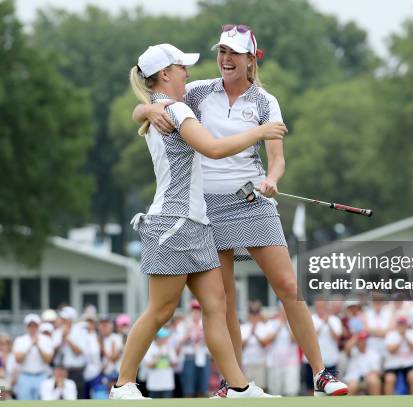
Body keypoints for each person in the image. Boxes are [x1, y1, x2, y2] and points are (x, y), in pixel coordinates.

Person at [134, 24, 349, 398]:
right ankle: (237, 384)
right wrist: (148, 110)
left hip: (252, 201)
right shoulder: (199, 92)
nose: (226, 60)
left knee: (287, 286)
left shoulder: (266, 102)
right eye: (222, 52)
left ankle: (320, 373)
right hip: (207, 207)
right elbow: (149, 100)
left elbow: (277, 160)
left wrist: (273, 179)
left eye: (234, 53)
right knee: (224, 300)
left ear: (251, 59)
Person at [110, 43, 286, 400]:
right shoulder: (174, 109)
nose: (187, 73)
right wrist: (260, 132)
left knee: (216, 307)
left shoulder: (165, 108)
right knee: (160, 310)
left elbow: (140, 109)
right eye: (181, 68)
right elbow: (214, 149)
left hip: (197, 222)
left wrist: (144, 106)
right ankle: (122, 383)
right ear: (165, 75)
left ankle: (238, 386)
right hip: (173, 222)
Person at [12, 314, 53, 400]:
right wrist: (30, 345)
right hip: (25, 376)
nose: (32, 328)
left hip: (42, 375)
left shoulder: (46, 340)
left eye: (35, 326)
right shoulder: (20, 340)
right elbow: (18, 359)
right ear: (26, 327)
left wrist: (38, 346)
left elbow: (48, 360)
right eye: (30, 326)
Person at [383, 316, 413, 395]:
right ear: (397, 325)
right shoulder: (391, 334)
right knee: (389, 378)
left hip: (409, 363)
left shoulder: (412, 333)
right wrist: (400, 338)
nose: (402, 326)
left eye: (403, 324)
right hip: (393, 364)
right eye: (400, 324)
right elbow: (391, 350)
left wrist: (406, 337)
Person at [343, 331, 381, 395]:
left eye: (363, 340)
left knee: (374, 381)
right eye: (360, 340)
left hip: (367, 378)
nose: (362, 342)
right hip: (352, 378)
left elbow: (377, 371)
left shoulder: (373, 353)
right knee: (353, 386)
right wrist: (356, 336)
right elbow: (347, 348)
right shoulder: (353, 351)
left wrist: (369, 376)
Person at [145, 328, 178, 398]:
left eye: (166, 337)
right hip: (154, 385)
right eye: (163, 337)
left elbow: (175, 363)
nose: (165, 339)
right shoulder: (150, 348)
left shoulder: (169, 348)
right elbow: (149, 365)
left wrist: (169, 356)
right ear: (157, 338)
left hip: (168, 385)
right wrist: (159, 355)